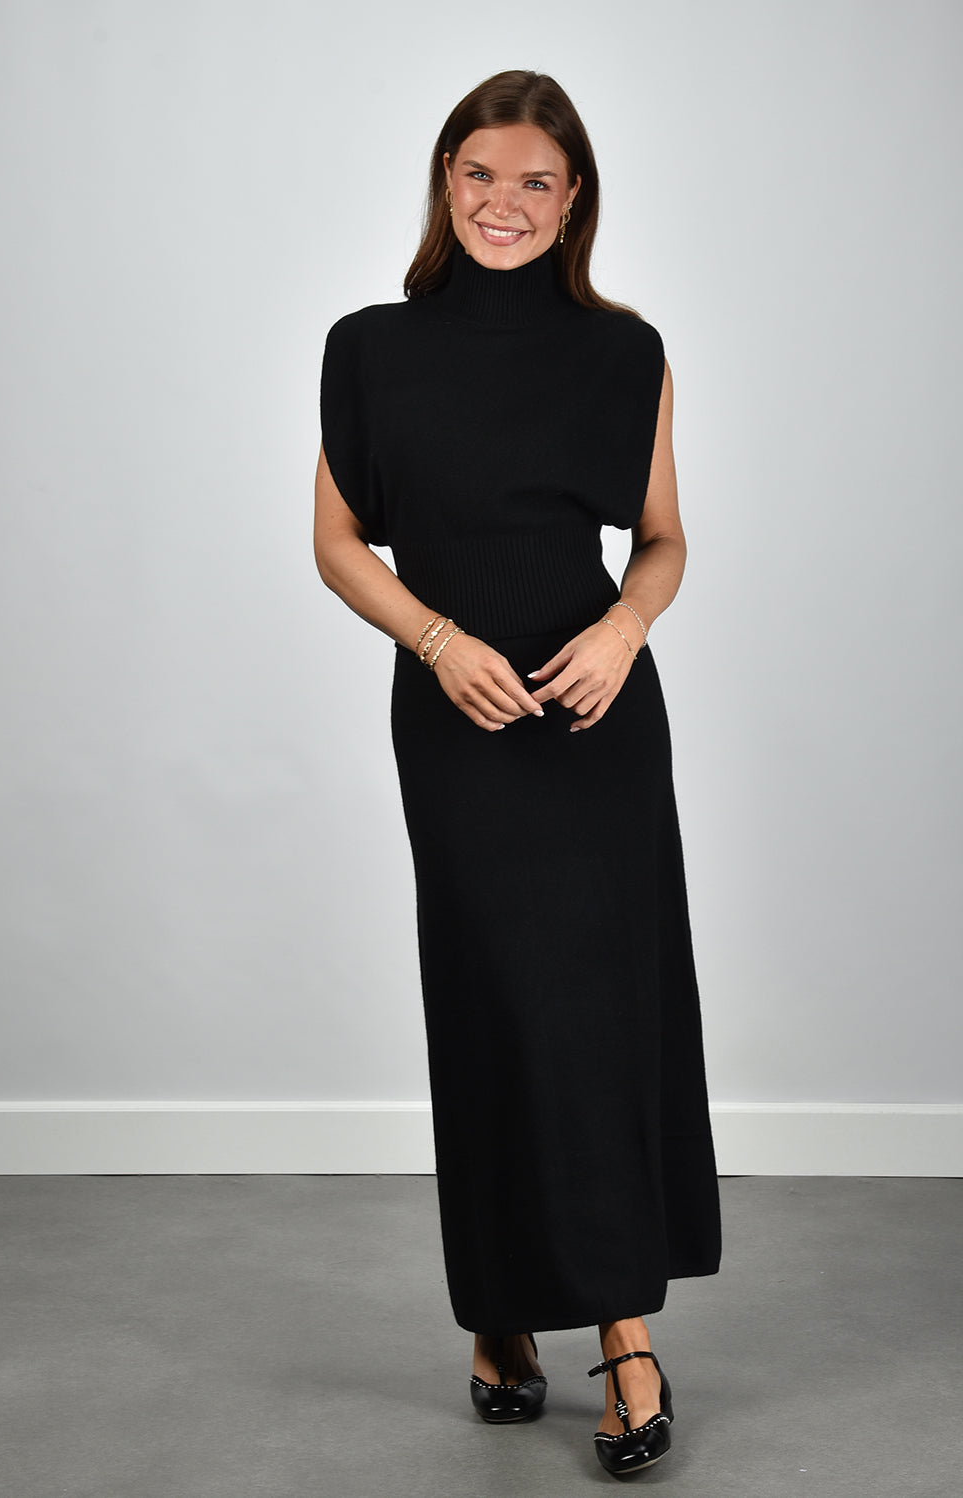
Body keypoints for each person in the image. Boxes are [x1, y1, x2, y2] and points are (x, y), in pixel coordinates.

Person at [314, 69, 721, 1478]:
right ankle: (498, 1311)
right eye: (482, 175)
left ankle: (624, 1333)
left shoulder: (625, 350)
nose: (506, 203)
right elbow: (338, 544)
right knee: (491, 1005)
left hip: (597, 717)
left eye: (537, 181)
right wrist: (437, 642)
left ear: (574, 198)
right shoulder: (369, 348)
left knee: (602, 1011)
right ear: (447, 182)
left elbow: (662, 539)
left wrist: (624, 627)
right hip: (460, 720)